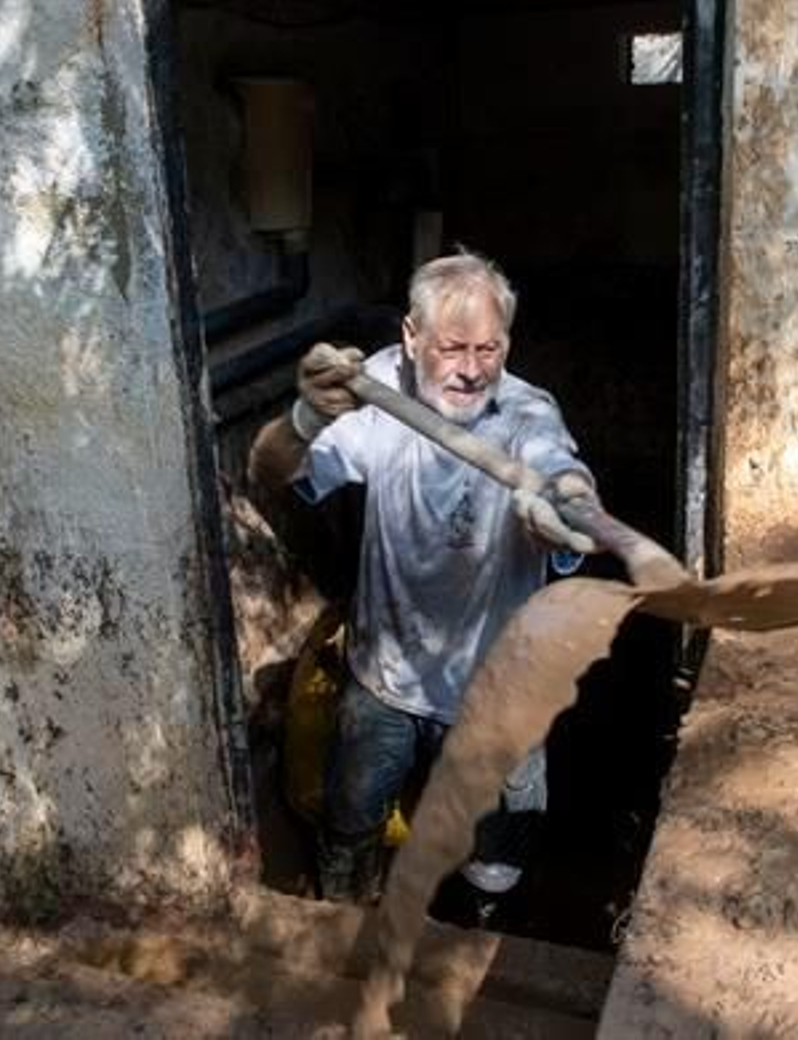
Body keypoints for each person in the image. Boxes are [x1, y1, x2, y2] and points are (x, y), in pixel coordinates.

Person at [249, 250, 599, 911]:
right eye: (452, 348)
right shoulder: (373, 391)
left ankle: (479, 926)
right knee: (351, 817)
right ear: (410, 338)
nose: (471, 370)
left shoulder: (527, 414)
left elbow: (563, 472)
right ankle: (341, 919)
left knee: (496, 843)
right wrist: (304, 419)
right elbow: (268, 471)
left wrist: (566, 503)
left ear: (508, 345)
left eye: (489, 349)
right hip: (385, 676)